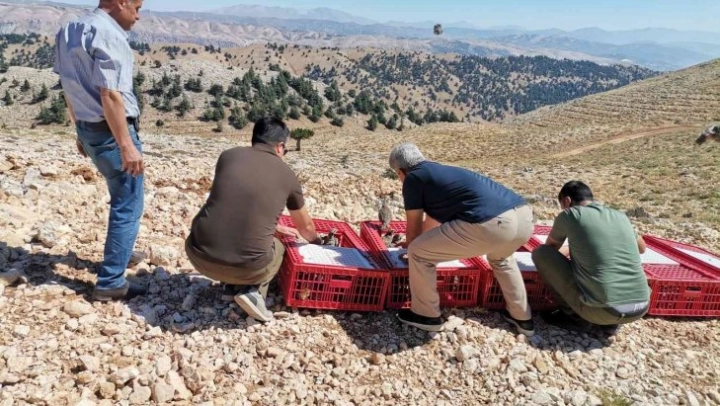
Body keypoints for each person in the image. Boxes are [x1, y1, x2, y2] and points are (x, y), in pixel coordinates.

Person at [388, 142, 535, 335]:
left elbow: (413, 228)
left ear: (400, 171)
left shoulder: (413, 178)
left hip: (493, 224)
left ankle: (426, 315)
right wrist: (419, 242)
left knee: (418, 253)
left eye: (397, 175)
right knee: (501, 258)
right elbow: (433, 220)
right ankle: (522, 318)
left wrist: (410, 248)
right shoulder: (439, 172)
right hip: (523, 218)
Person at [53, 0, 147, 301]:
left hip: (88, 128)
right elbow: (110, 94)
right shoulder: (109, 33)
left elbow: (68, 85)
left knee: (121, 195)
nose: (138, 15)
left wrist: (79, 129)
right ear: (120, 2)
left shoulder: (70, 29)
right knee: (128, 202)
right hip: (111, 132)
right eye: (136, 6)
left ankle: (121, 252)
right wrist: (126, 145)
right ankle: (111, 282)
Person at [185, 117, 321, 322]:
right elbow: (306, 228)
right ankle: (253, 293)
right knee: (279, 247)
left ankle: (229, 287)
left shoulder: (228, 156)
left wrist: (275, 226)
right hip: (246, 268)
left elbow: (235, 204)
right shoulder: (287, 174)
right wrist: (320, 245)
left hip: (198, 255)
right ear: (280, 146)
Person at [531, 181, 650, 331]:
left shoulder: (570, 214)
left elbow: (550, 250)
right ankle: (608, 323)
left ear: (567, 201)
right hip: (640, 308)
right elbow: (642, 248)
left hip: (602, 311)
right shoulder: (620, 216)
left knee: (540, 253)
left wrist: (570, 251)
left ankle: (573, 317)